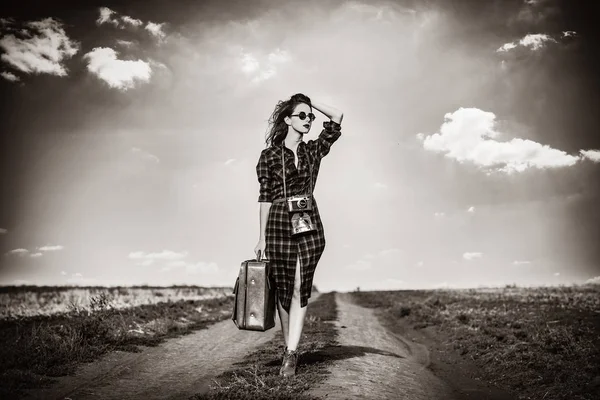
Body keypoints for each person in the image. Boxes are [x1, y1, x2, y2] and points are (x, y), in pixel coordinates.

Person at [254, 93, 343, 377]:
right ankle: (288, 348)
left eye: (310, 117)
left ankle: (291, 354)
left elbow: (337, 117)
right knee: (283, 288)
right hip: (279, 222)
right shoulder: (269, 155)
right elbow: (265, 197)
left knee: (300, 285)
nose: (308, 120)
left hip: (308, 221)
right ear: (287, 119)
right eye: (302, 115)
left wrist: (309, 100)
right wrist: (261, 237)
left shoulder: (313, 150)